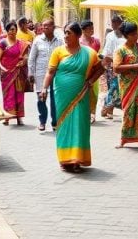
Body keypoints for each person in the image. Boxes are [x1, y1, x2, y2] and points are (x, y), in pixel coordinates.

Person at [41, 22, 104, 172]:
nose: (66, 36)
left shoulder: (89, 53)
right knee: (63, 124)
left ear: (78, 35)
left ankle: (76, 159)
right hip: (62, 93)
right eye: (65, 33)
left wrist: (90, 81)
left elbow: (100, 68)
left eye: (69, 33)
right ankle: (64, 159)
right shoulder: (58, 52)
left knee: (79, 124)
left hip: (81, 94)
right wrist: (44, 88)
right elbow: (50, 72)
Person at [112, 20, 138, 148]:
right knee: (129, 112)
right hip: (128, 86)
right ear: (126, 36)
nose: (136, 37)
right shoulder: (121, 50)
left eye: (136, 33)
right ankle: (124, 139)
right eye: (133, 34)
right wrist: (136, 66)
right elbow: (116, 68)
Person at [29, 19, 61, 132]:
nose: (45, 28)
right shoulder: (37, 40)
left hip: (56, 74)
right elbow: (32, 58)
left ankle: (55, 122)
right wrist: (30, 73)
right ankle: (42, 121)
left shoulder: (60, 41)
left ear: (53, 27)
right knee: (41, 98)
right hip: (41, 74)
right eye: (44, 26)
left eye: (48, 26)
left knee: (54, 99)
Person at [0, 20, 29, 125]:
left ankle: (19, 117)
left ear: (16, 30)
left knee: (19, 94)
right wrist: (1, 67)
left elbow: (26, 56)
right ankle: (7, 117)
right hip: (6, 73)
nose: (12, 32)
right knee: (8, 95)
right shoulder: (3, 42)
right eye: (10, 30)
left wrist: (24, 61)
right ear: (6, 31)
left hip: (18, 72)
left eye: (14, 29)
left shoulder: (21, 43)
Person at [101, 15, 124, 120]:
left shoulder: (125, 35)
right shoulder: (110, 35)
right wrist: (104, 61)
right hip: (111, 64)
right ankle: (108, 107)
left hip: (122, 64)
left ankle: (107, 106)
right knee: (112, 86)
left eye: (116, 22)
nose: (114, 24)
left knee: (117, 87)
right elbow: (106, 49)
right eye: (113, 22)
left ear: (121, 23)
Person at [80, 20, 102, 122]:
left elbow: (99, 54)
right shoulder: (79, 42)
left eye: (92, 28)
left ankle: (92, 113)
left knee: (94, 91)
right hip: (83, 70)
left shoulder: (96, 41)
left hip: (95, 70)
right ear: (83, 30)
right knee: (84, 91)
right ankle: (84, 113)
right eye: (89, 28)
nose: (92, 30)